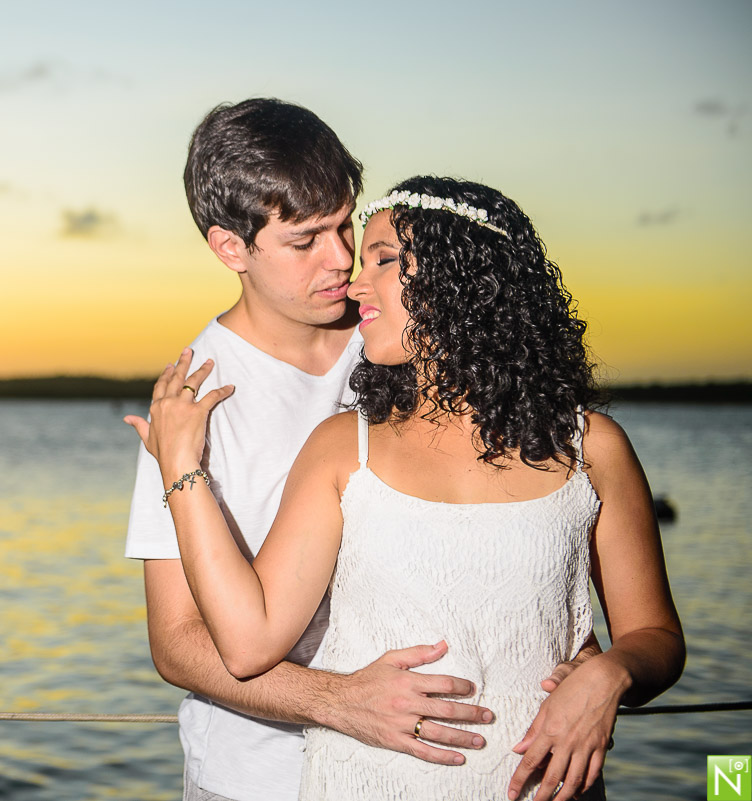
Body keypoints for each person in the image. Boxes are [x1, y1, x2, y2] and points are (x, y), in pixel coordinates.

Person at [127, 175, 686, 800]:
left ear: (467, 280)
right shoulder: (344, 447)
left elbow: (657, 639)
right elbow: (246, 641)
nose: (353, 282)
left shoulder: (593, 448)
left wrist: (611, 673)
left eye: (383, 259)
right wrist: (180, 464)